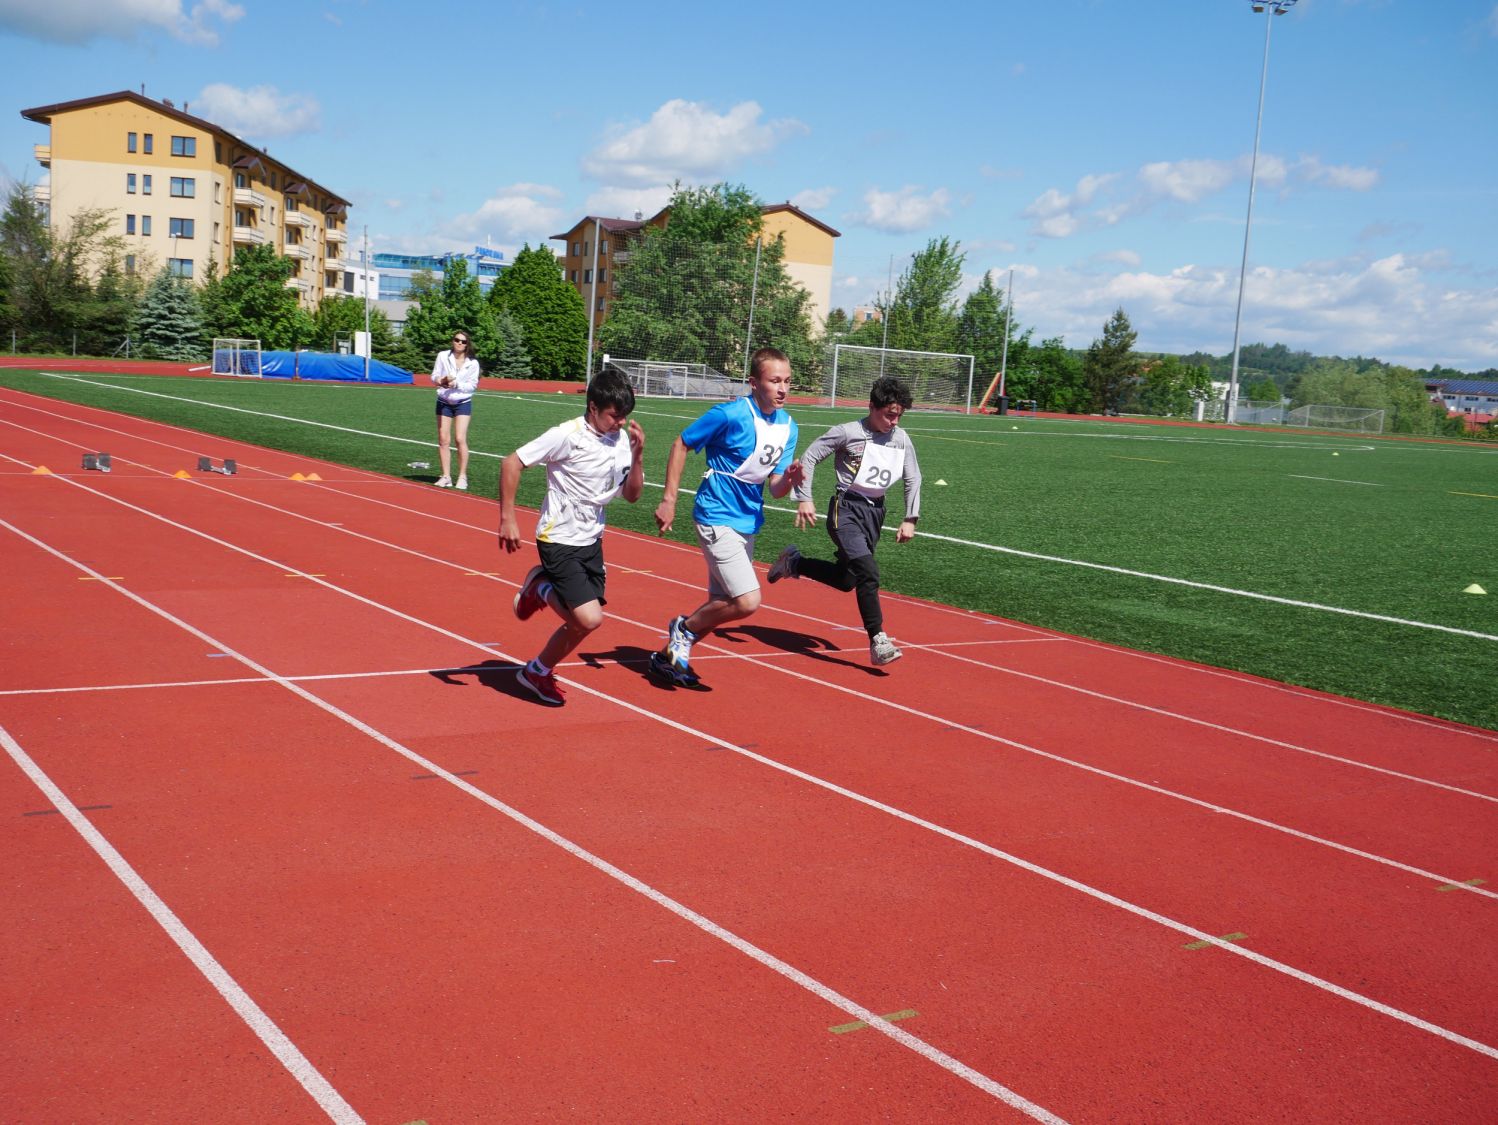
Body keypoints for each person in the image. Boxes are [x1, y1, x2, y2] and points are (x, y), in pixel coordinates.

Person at [650, 346, 804, 686]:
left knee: (721, 603)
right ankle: (682, 629)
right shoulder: (730, 414)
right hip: (715, 514)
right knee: (747, 601)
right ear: (754, 383)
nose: (782, 389)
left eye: (787, 381)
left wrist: (790, 480)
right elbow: (681, 443)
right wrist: (669, 500)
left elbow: (775, 487)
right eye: (774, 381)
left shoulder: (788, 427)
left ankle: (666, 659)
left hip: (748, 520)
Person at [498, 368, 645, 706]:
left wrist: (637, 455)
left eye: (625, 415)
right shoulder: (567, 435)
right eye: (615, 415)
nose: (621, 422)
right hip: (559, 537)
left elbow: (632, 495)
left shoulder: (622, 440)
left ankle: (536, 671)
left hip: (592, 539)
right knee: (588, 619)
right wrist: (508, 518)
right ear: (593, 407)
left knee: (582, 623)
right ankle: (541, 588)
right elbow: (511, 464)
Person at [766, 375, 922, 666]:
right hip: (846, 509)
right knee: (869, 572)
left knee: (847, 579)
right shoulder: (847, 432)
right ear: (872, 407)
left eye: (899, 416)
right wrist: (804, 497)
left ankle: (794, 563)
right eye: (889, 415)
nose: (894, 422)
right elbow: (810, 457)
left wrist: (910, 517)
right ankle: (878, 641)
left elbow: (913, 477)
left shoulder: (901, 439)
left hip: (875, 514)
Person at [431, 329, 480, 489]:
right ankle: (446, 476)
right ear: (453, 341)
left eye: (463, 341)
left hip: (462, 402)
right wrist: (441, 380)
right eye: (457, 340)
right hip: (444, 401)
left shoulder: (472, 363)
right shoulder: (443, 356)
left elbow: (472, 385)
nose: (459, 343)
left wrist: (456, 384)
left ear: (467, 344)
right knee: (443, 439)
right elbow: (434, 376)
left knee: (460, 439)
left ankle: (462, 476)